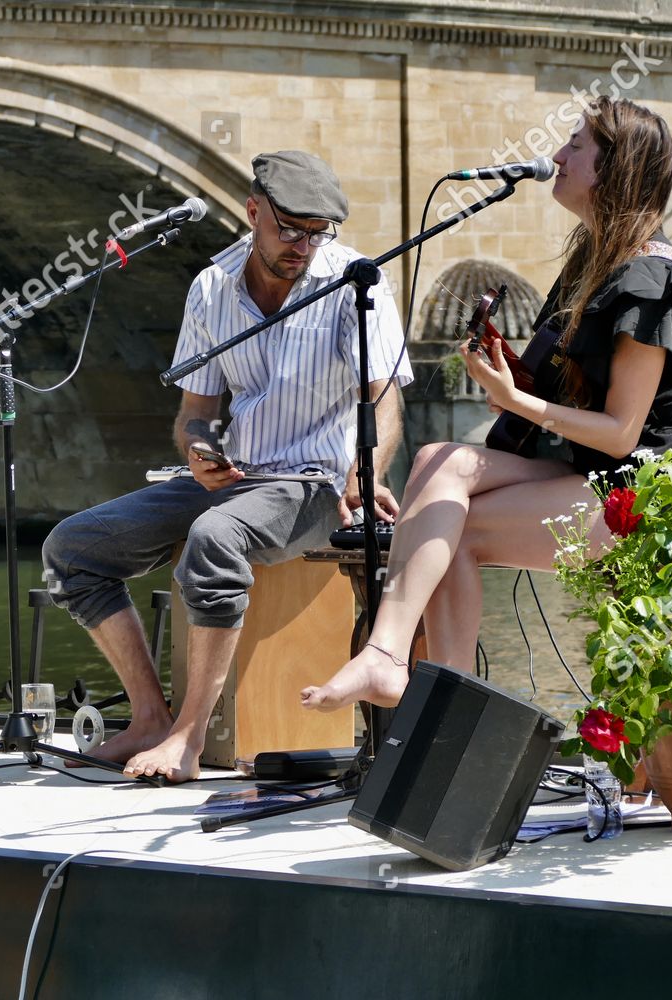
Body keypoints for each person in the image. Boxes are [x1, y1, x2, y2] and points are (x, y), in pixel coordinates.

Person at [301, 97, 672, 712]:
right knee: (437, 461)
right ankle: (393, 660)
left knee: (457, 529)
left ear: (615, 168)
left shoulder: (650, 280)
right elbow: (569, 387)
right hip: (597, 469)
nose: (557, 155)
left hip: (655, 484)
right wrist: (510, 373)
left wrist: (512, 400)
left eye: (575, 146)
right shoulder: (595, 261)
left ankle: (430, 699)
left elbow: (623, 433)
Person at [43, 150, 413, 782]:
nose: (304, 245)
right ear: (252, 211)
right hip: (234, 477)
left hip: (313, 482)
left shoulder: (356, 281)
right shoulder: (211, 288)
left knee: (217, 540)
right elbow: (195, 412)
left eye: (318, 231)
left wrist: (367, 470)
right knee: (71, 549)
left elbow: (385, 398)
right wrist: (199, 450)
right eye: (290, 228)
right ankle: (149, 717)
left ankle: (187, 740)